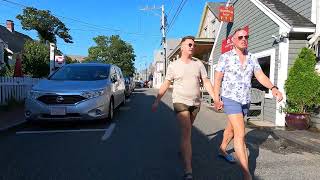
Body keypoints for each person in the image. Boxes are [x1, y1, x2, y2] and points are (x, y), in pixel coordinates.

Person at [214, 28, 283, 180]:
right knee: (240, 134)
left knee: (231, 129)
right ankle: (247, 174)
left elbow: (259, 75)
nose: (244, 39)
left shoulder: (252, 57)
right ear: (233, 40)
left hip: (245, 99)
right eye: (240, 37)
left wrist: (273, 88)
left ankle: (222, 149)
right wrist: (216, 98)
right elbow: (218, 79)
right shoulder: (225, 57)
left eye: (246, 37)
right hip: (230, 98)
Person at [151, 36, 215, 180]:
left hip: (196, 103)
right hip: (180, 101)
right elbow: (166, 84)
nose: (193, 46)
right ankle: (188, 169)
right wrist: (157, 100)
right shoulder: (174, 66)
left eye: (194, 45)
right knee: (186, 132)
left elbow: (206, 82)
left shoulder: (198, 64)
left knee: (187, 131)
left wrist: (216, 98)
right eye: (190, 44)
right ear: (182, 47)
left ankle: (184, 147)